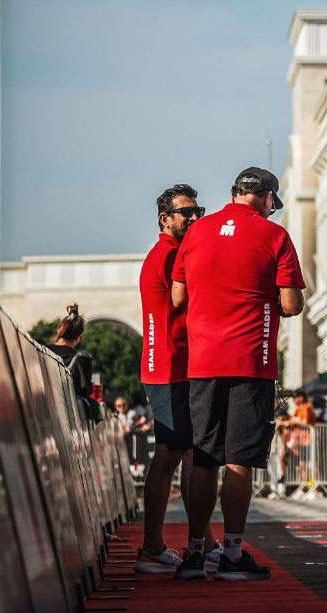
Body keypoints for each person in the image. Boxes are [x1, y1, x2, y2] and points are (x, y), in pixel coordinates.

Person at [171, 166, 306, 581]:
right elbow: (292, 305)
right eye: (271, 203)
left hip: (204, 361)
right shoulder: (274, 235)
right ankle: (230, 554)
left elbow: (178, 295)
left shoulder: (196, 232)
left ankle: (194, 553)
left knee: (203, 459)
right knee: (239, 462)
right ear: (266, 197)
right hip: (250, 360)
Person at [134, 184, 217, 575]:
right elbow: (193, 299)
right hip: (169, 368)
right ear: (165, 219)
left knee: (185, 452)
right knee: (169, 454)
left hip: (173, 367)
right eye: (186, 212)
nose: (195, 217)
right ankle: (151, 546)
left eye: (198, 209)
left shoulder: (169, 253)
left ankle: (204, 541)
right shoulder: (169, 255)